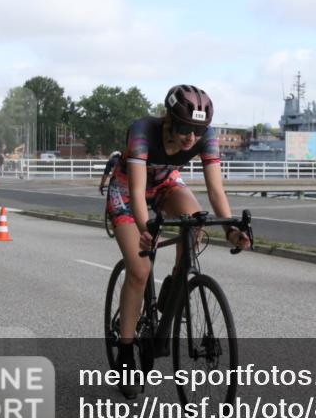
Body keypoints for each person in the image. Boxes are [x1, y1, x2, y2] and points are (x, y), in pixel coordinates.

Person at [106, 85, 250, 398]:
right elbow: (137, 188)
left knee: (196, 219)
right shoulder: (143, 131)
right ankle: (127, 350)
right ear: (169, 120)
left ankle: (176, 282)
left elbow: (215, 191)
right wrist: (146, 228)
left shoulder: (206, 137)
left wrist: (229, 230)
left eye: (198, 131)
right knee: (140, 271)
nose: (190, 138)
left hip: (166, 184)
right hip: (128, 192)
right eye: (185, 128)